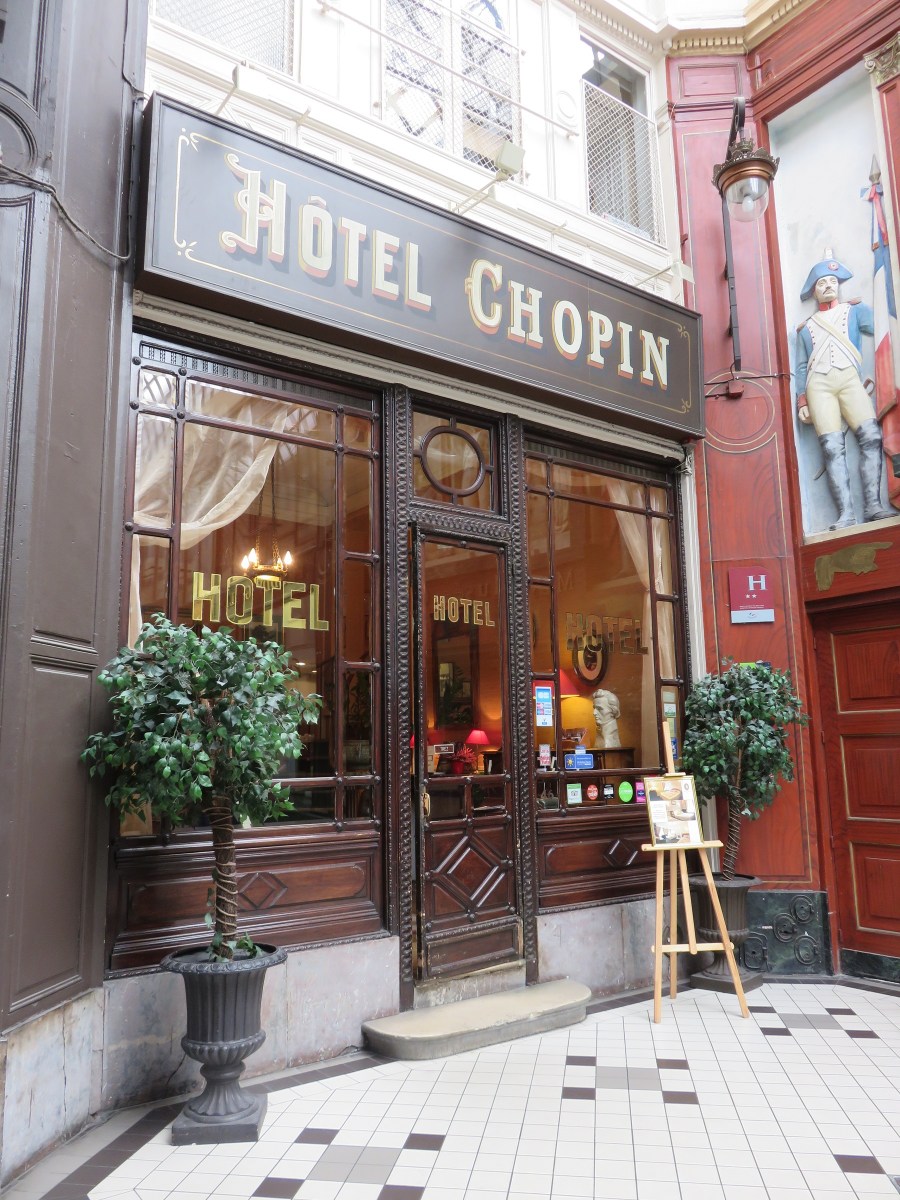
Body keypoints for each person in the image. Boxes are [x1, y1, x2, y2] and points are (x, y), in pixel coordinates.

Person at [795, 251, 894, 529]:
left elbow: (883, 326)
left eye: (832, 280)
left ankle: (873, 505)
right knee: (831, 446)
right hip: (820, 387)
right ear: (814, 290)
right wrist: (802, 399)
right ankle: (846, 513)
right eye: (821, 283)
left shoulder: (854, 310)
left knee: (871, 436)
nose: (828, 286)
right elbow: (802, 367)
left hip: (850, 380)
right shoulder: (806, 328)